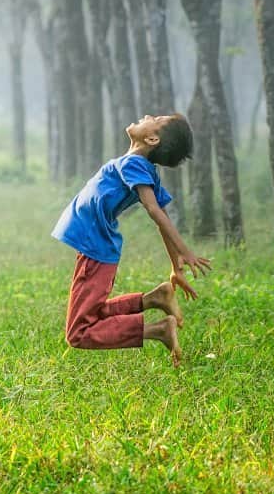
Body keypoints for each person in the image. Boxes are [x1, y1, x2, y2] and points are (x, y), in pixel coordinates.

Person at [51, 114, 211, 367]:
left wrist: (184, 251)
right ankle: (155, 299)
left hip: (96, 248)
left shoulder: (135, 164)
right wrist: (175, 266)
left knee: (79, 332)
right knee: (92, 314)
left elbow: (155, 210)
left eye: (156, 118)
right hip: (95, 247)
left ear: (152, 138)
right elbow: (162, 214)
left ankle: (158, 330)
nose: (147, 115)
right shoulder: (139, 166)